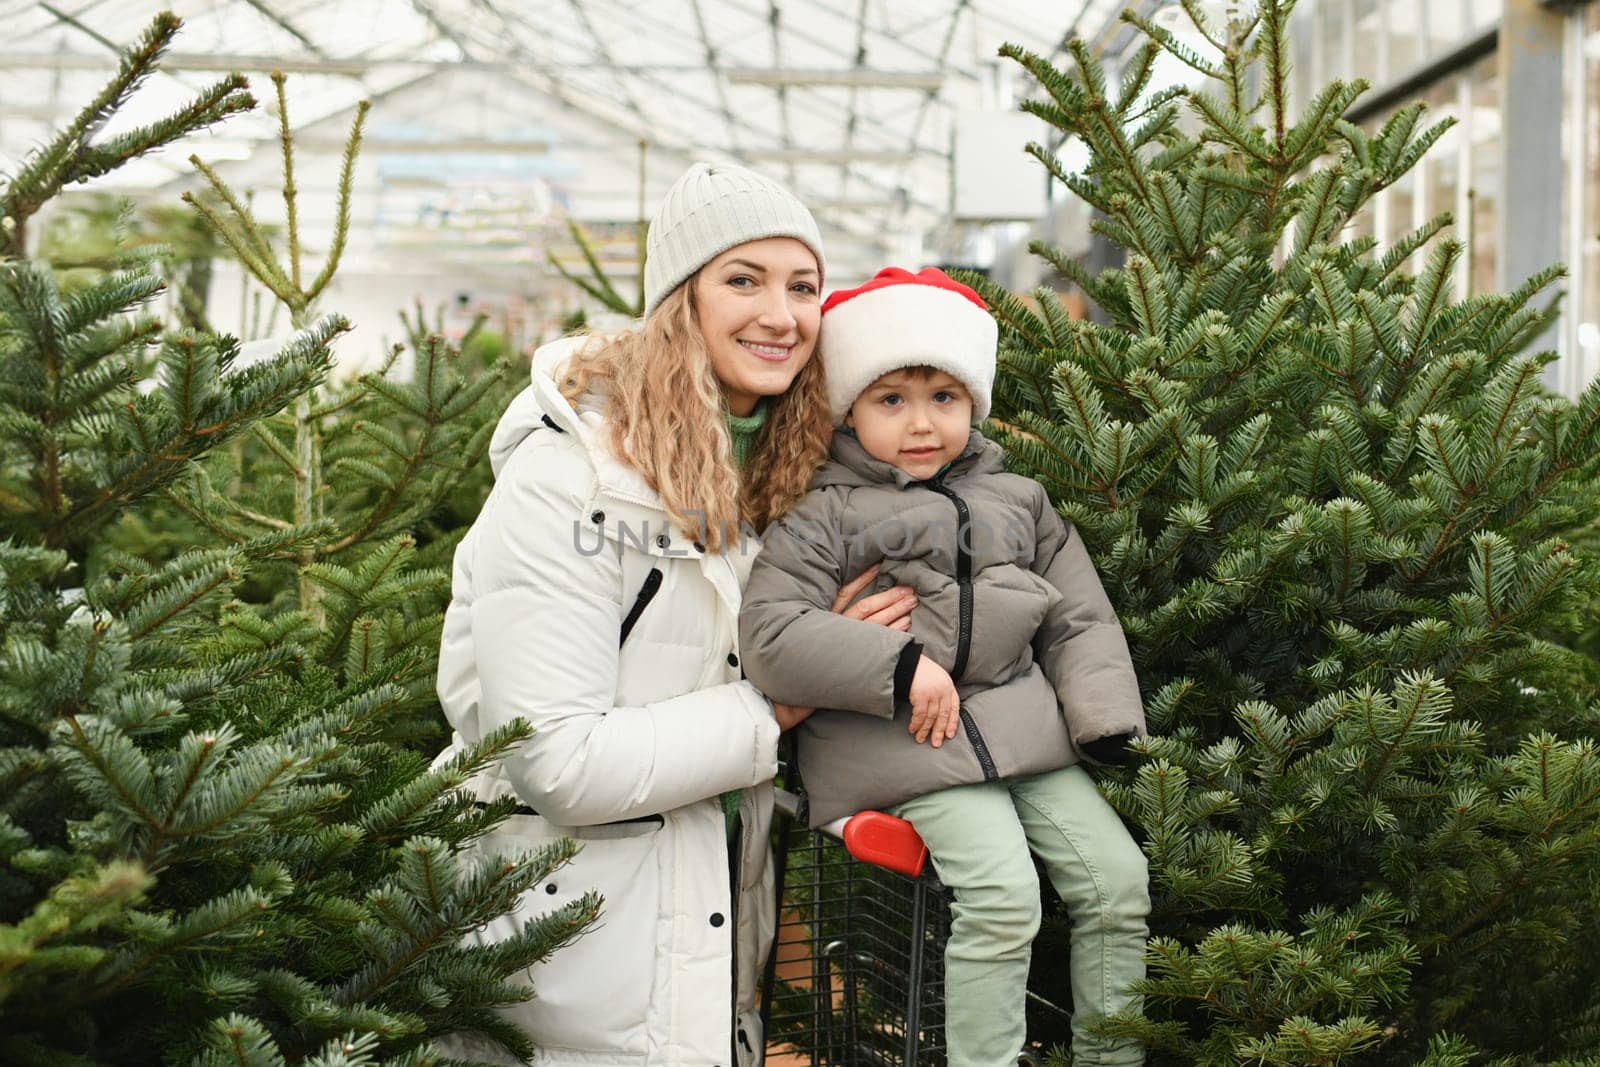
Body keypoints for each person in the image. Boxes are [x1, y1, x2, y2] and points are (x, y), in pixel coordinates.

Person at [433, 163, 915, 1066]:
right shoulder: (570, 484)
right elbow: (552, 757)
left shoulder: (768, 476)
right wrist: (782, 704)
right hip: (569, 968)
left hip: (705, 946)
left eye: (803, 286)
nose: (781, 314)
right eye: (744, 279)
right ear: (678, 298)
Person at [739, 267, 1151, 1067]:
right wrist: (898, 666)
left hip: (1020, 730)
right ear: (850, 408)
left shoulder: (1020, 499)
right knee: (1002, 896)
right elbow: (771, 633)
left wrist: (1102, 718)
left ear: (974, 403)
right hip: (905, 745)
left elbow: (1080, 615)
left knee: (1118, 881)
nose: (921, 423)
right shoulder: (824, 509)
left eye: (944, 397)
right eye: (892, 399)